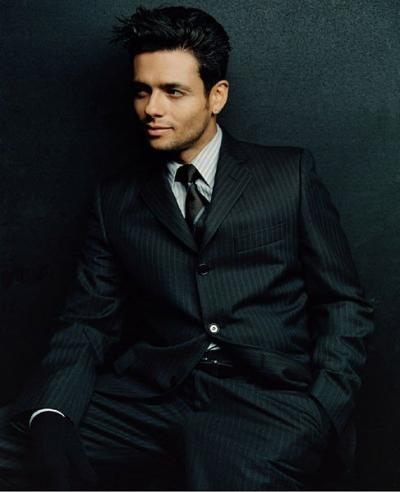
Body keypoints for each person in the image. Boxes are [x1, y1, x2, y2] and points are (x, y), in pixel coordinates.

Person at [0, 5, 374, 490]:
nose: (151, 109)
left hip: (264, 398)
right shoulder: (115, 200)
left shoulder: (290, 175)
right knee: (22, 441)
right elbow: (88, 320)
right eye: (142, 91)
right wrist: (51, 411)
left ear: (216, 96)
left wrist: (323, 408)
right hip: (150, 394)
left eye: (173, 91)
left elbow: (343, 302)